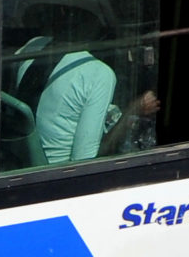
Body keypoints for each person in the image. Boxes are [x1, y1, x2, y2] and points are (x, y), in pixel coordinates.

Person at [10, 17, 158, 166]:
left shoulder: (34, 45)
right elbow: (86, 161)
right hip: (57, 174)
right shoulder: (98, 74)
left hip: (17, 161)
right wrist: (132, 110)